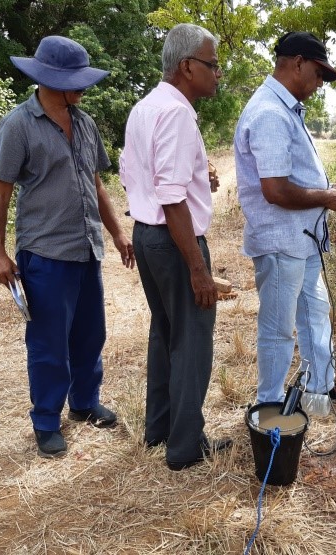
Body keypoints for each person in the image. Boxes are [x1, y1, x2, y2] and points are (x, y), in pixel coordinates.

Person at [0, 36, 135, 459]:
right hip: (45, 255)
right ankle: (47, 421)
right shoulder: (18, 125)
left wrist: (117, 233)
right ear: (50, 79)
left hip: (87, 249)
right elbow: (0, 193)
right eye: (76, 81)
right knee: (49, 342)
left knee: (90, 334)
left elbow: (95, 183)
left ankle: (85, 403)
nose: (84, 89)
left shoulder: (84, 123)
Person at [120, 23, 232, 471]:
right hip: (173, 238)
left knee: (165, 331)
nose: (218, 73)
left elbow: (140, 176)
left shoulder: (145, 107)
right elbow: (170, 197)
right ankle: (185, 445)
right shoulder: (178, 113)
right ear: (187, 66)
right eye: (212, 64)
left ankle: (160, 427)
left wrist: (198, 180)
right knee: (192, 340)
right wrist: (198, 269)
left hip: (148, 237)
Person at [234, 31, 336, 406]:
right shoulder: (270, 113)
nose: (321, 83)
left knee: (315, 312)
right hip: (280, 242)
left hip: (301, 239)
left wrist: (332, 188)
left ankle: (320, 385)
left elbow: (294, 178)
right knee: (277, 331)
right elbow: (274, 190)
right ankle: (269, 407)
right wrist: (326, 196)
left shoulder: (285, 109)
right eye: (319, 74)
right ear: (297, 63)